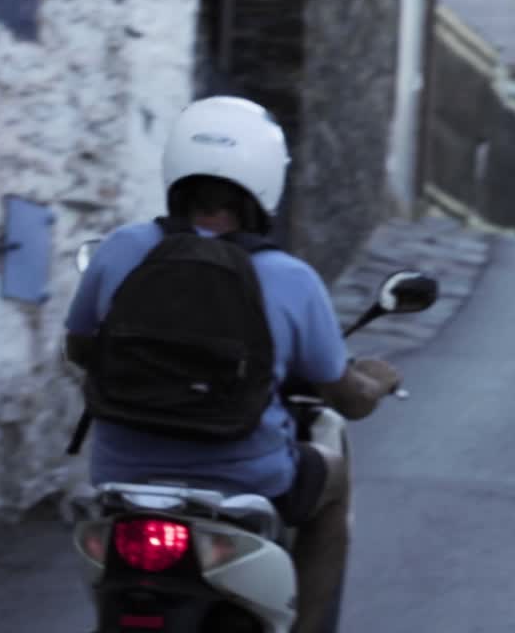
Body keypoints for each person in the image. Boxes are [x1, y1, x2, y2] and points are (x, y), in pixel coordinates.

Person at [63, 95, 396, 633]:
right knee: (332, 483)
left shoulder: (121, 248)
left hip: (122, 476)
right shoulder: (289, 279)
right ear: (266, 181)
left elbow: (79, 349)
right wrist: (377, 382)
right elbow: (347, 399)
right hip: (248, 478)